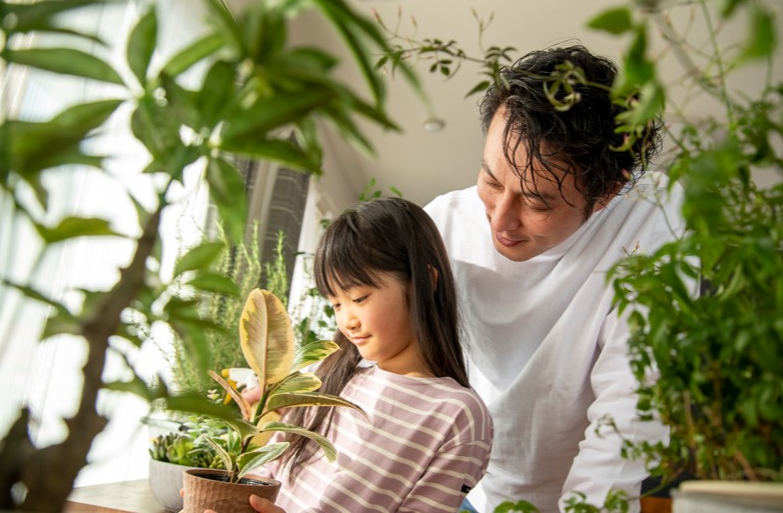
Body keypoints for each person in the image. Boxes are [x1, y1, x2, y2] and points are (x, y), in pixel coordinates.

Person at [423, 44, 686, 512]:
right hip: (460, 487)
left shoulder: (653, 219)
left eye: (537, 203)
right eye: (491, 181)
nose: (500, 221)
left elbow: (631, 403)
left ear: (608, 191)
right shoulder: (442, 225)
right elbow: (368, 350)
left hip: (580, 490)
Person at [221, 197, 493, 513]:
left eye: (359, 297)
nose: (347, 321)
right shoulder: (330, 374)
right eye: (336, 303)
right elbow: (267, 471)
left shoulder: (457, 415)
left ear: (424, 282)